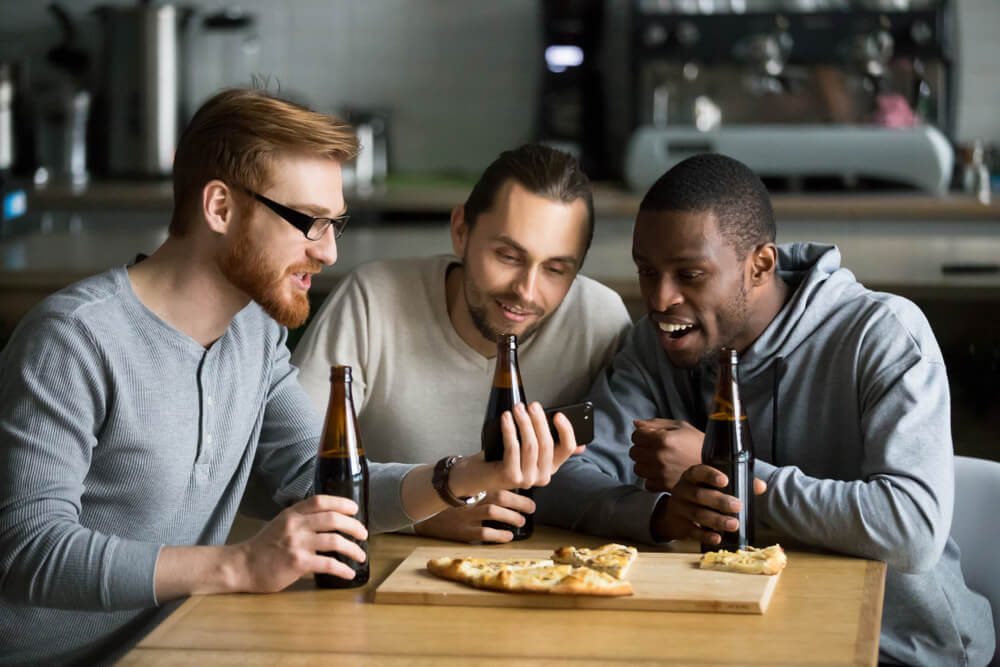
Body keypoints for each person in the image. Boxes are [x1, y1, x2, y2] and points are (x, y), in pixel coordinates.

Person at [0, 90, 583, 666]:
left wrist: (468, 476)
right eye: (309, 222)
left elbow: (320, 479)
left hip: (174, 647)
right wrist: (239, 565)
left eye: (336, 225)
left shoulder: (253, 335)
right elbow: (27, 550)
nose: (328, 252)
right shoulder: (73, 339)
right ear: (220, 208)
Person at [535, 153, 995, 666]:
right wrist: (665, 514)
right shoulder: (658, 344)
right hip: (732, 643)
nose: (660, 299)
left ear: (760, 266)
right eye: (648, 272)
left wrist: (726, 477)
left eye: (689, 274)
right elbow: (559, 472)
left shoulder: (883, 336)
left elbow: (912, 531)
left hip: (901, 652)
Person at [292, 144, 632, 543]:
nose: (526, 290)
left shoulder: (602, 321)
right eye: (508, 255)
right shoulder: (371, 299)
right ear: (460, 231)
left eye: (556, 269)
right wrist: (425, 513)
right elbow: (292, 473)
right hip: (385, 573)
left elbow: (625, 478)